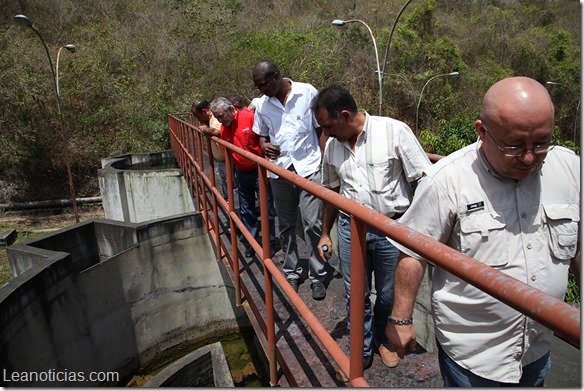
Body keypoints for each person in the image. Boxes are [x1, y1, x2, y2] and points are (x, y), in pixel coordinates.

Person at [386, 76, 581, 387]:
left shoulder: (570, 168)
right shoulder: (446, 180)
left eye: (541, 143)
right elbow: (413, 252)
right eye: (515, 145)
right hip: (473, 357)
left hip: (536, 350)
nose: (530, 157)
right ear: (482, 131)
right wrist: (401, 319)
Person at [312, 84, 431, 382]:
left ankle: (381, 338)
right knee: (356, 293)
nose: (324, 133)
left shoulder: (394, 132)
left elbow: (425, 181)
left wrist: (419, 230)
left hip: (392, 228)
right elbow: (332, 191)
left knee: (389, 294)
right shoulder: (332, 146)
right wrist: (325, 233)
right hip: (351, 228)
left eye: (327, 126)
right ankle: (360, 350)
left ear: (345, 115)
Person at [251, 60, 328, 300]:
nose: (260, 90)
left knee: (312, 223)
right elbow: (261, 135)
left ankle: (318, 275)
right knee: (285, 225)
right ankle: (292, 271)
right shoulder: (263, 105)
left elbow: (321, 129)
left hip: (309, 167)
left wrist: (326, 162)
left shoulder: (307, 93)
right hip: (280, 171)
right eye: (257, 86)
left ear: (276, 77)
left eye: (263, 84)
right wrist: (265, 146)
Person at [206, 97, 279, 258]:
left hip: (258, 170)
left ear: (231, 110)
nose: (220, 120)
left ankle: (270, 243)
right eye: (217, 118)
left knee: (266, 208)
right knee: (246, 208)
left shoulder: (249, 118)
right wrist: (231, 176)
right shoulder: (225, 128)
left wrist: (267, 169)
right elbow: (230, 154)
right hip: (241, 172)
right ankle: (251, 241)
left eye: (221, 116)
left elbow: (265, 140)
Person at [191, 99, 229, 200]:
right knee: (226, 183)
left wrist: (204, 129)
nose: (199, 120)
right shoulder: (210, 118)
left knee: (229, 184)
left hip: (226, 159)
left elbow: (217, 131)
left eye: (199, 117)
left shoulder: (215, 117)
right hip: (222, 159)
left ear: (204, 111)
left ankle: (231, 206)